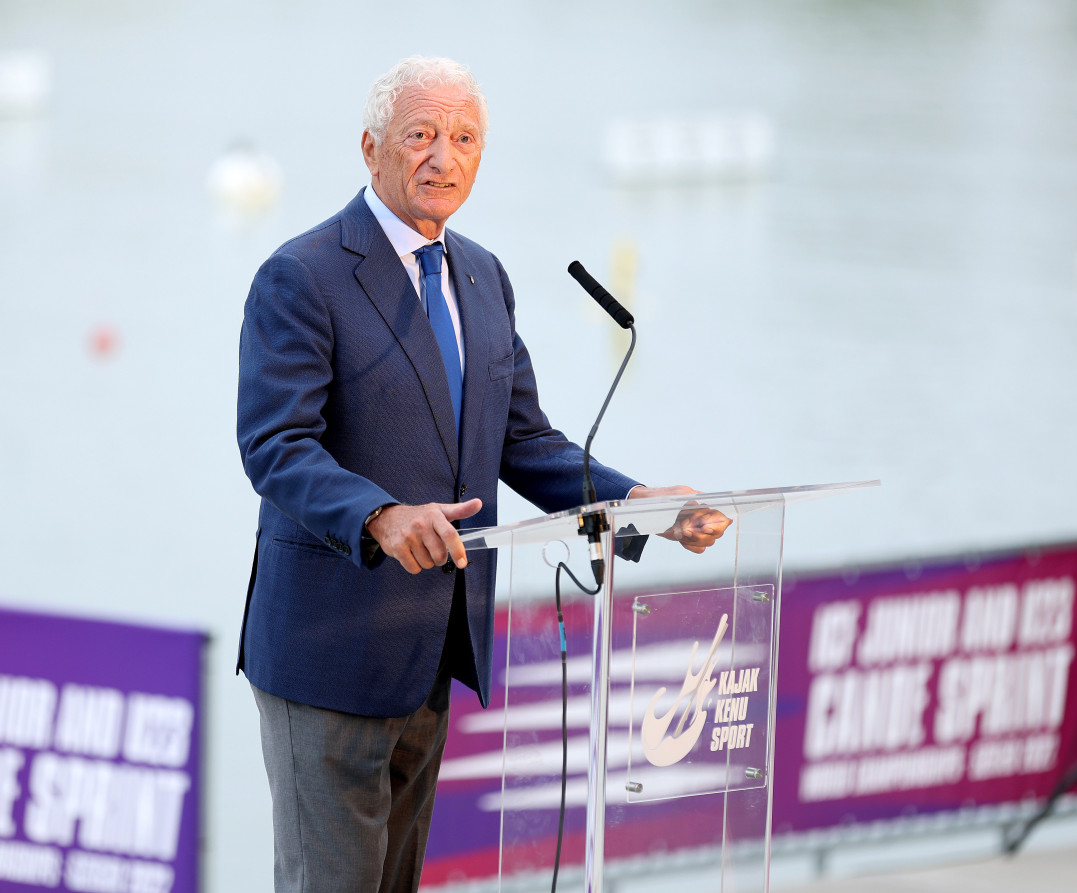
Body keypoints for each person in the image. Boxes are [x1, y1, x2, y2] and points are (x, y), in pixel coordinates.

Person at [235, 55, 730, 893]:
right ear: (371, 148)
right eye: (421, 135)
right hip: (328, 650)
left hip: (434, 644)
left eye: (465, 139)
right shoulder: (302, 274)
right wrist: (380, 515)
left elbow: (524, 439)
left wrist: (636, 504)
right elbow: (275, 444)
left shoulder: (482, 275)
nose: (444, 157)